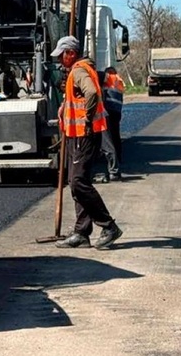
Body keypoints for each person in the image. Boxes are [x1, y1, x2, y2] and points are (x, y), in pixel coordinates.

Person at [53, 36, 123, 249]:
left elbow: (91, 92)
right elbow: (80, 95)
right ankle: (82, 232)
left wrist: (86, 118)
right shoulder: (76, 71)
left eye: (61, 55)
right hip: (77, 134)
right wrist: (65, 104)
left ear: (70, 53)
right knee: (76, 182)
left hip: (84, 134)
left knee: (79, 183)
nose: (59, 60)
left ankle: (109, 226)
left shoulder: (79, 70)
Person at [99, 66, 125, 181]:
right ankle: (118, 160)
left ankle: (114, 169)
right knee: (115, 137)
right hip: (117, 112)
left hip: (108, 111)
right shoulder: (118, 81)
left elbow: (98, 75)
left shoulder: (109, 78)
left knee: (108, 140)